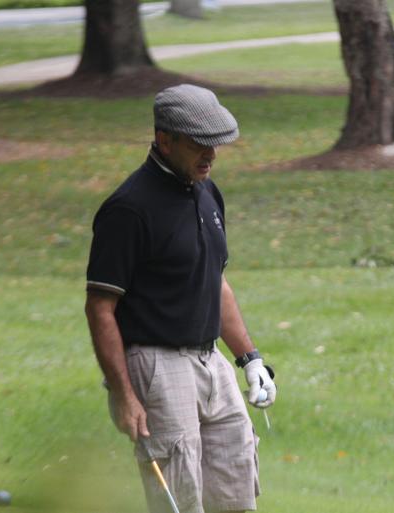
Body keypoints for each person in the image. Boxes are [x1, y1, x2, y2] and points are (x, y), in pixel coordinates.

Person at [84, 84, 277, 513]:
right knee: (180, 498)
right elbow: (100, 307)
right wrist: (124, 393)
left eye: (215, 145)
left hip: (211, 362)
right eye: (198, 145)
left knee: (237, 482)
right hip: (157, 364)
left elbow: (215, 283)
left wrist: (250, 359)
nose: (210, 156)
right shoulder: (128, 210)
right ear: (164, 139)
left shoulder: (207, 193)